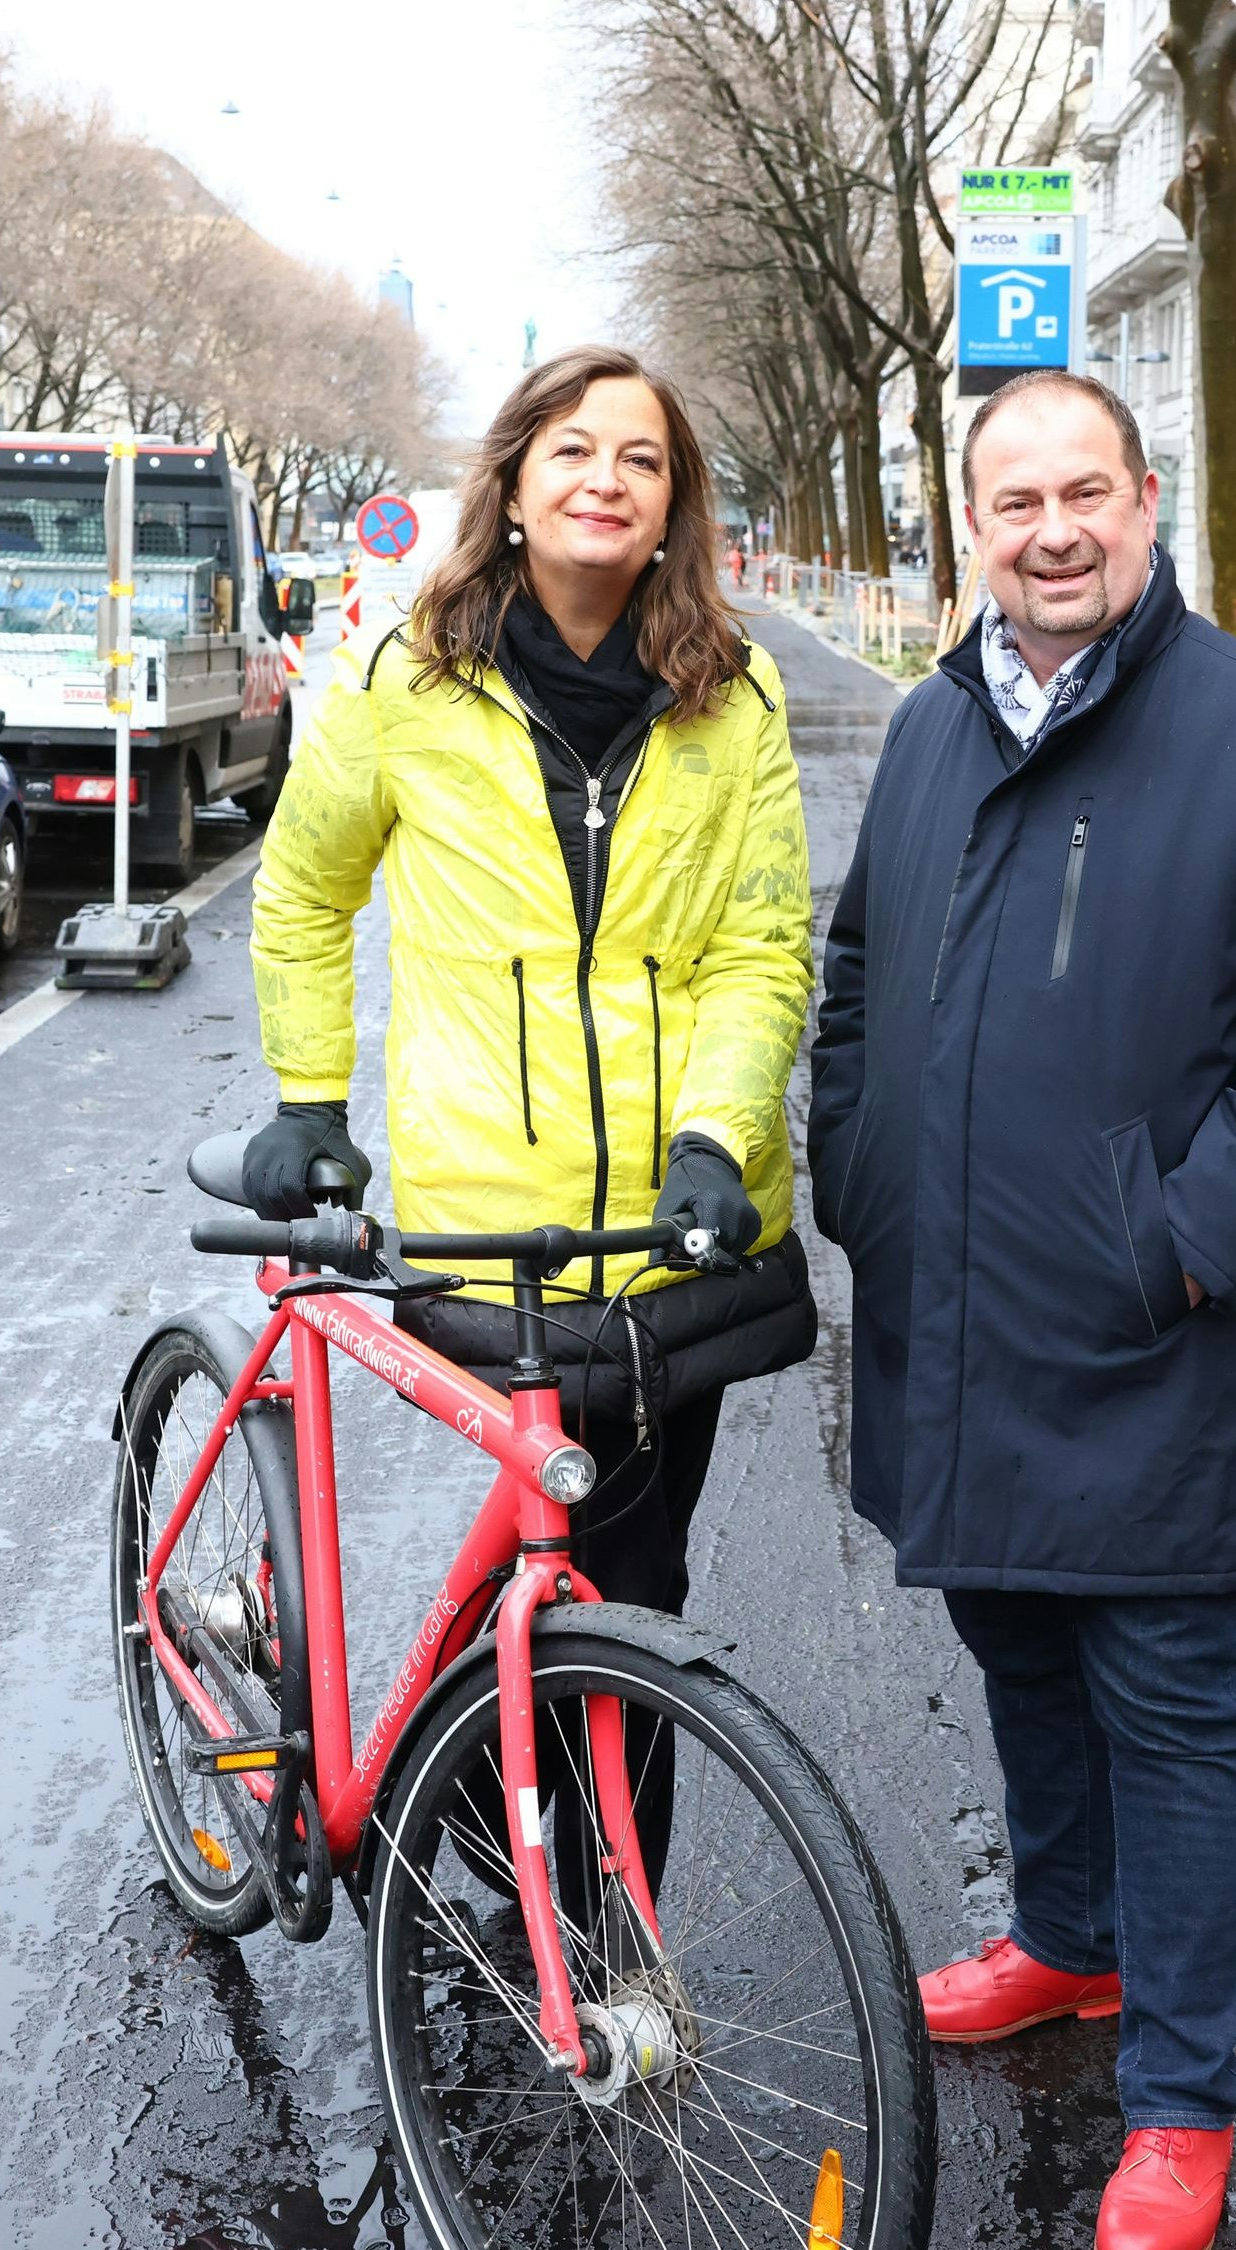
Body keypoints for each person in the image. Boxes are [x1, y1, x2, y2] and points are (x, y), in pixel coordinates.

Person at [809, 367, 1236, 2250]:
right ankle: (1069, 1943)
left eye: (1088, 493)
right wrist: (859, 1175)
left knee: (1172, 1709)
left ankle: (1182, 2096)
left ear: (1148, 505)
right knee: (1020, 1651)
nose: (1053, 530)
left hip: (1158, 1339)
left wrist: (1183, 1242)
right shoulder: (928, 729)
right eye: (1016, 503)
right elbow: (856, 975)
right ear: (967, 528)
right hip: (959, 1320)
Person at [244, 346, 817, 1782]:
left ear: (675, 503)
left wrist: (716, 1134)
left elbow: (760, 947)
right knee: (571, 1565)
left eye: (640, 457)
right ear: (510, 484)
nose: (604, 478)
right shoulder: (402, 683)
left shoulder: (731, 703)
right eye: (572, 448)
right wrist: (311, 1099)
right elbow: (308, 888)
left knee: (634, 1591)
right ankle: (533, 1880)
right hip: (497, 1227)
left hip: (681, 1227)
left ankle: (596, 1950)